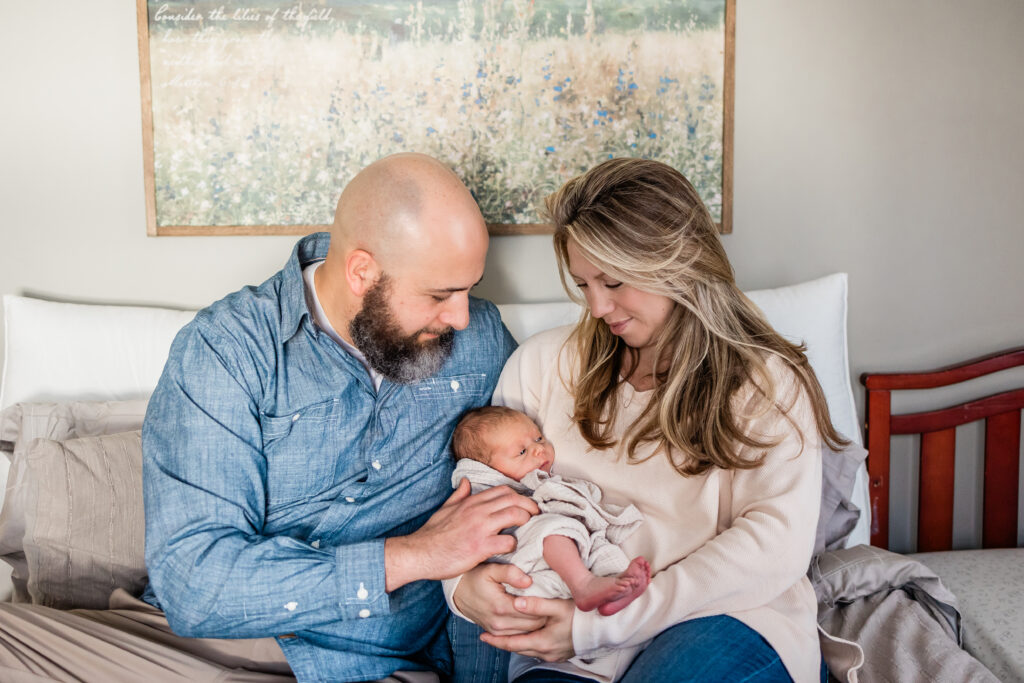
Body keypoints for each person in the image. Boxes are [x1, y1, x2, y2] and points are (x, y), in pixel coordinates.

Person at [0, 153, 540, 682]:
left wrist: (469, 579)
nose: (463, 316)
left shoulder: (481, 342)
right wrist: (417, 556)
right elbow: (196, 585)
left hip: (375, 658)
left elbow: (544, 480)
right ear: (361, 272)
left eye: (470, 289)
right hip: (196, 646)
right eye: (440, 294)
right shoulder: (226, 350)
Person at [447, 158, 846, 683]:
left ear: (677, 262)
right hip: (571, 640)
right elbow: (482, 497)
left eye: (612, 281)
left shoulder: (765, 383)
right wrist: (460, 584)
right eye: (583, 283)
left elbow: (773, 545)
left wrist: (609, 623)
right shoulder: (541, 366)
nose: (595, 306)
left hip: (724, 617)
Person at [450, 405, 651, 682]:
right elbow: (467, 537)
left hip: (556, 575)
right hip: (521, 572)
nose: (538, 450)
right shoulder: (484, 493)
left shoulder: (534, 482)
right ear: (486, 469)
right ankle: (584, 586)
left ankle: (611, 592)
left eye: (538, 439)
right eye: (522, 452)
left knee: (599, 546)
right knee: (554, 529)